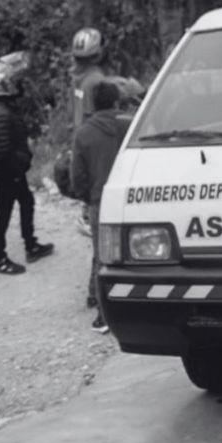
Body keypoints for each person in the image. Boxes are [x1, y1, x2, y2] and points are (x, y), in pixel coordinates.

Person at [0, 52, 54, 274]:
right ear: (6, 86)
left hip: (8, 170)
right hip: (7, 171)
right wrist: (16, 168)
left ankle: (31, 244)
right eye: (16, 82)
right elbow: (3, 150)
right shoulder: (1, 114)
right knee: (3, 212)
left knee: (26, 202)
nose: (20, 86)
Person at [71, 81, 132, 333]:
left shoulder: (84, 133)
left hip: (100, 200)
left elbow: (78, 178)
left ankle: (102, 312)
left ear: (93, 105)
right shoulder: (130, 125)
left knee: (102, 254)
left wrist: (88, 198)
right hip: (130, 197)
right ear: (117, 101)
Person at [69, 27, 107, 238]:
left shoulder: (77, 79)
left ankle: (87, 214)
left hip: (80, 138)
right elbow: (96, 116)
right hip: (93, 143)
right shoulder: (96, 80)